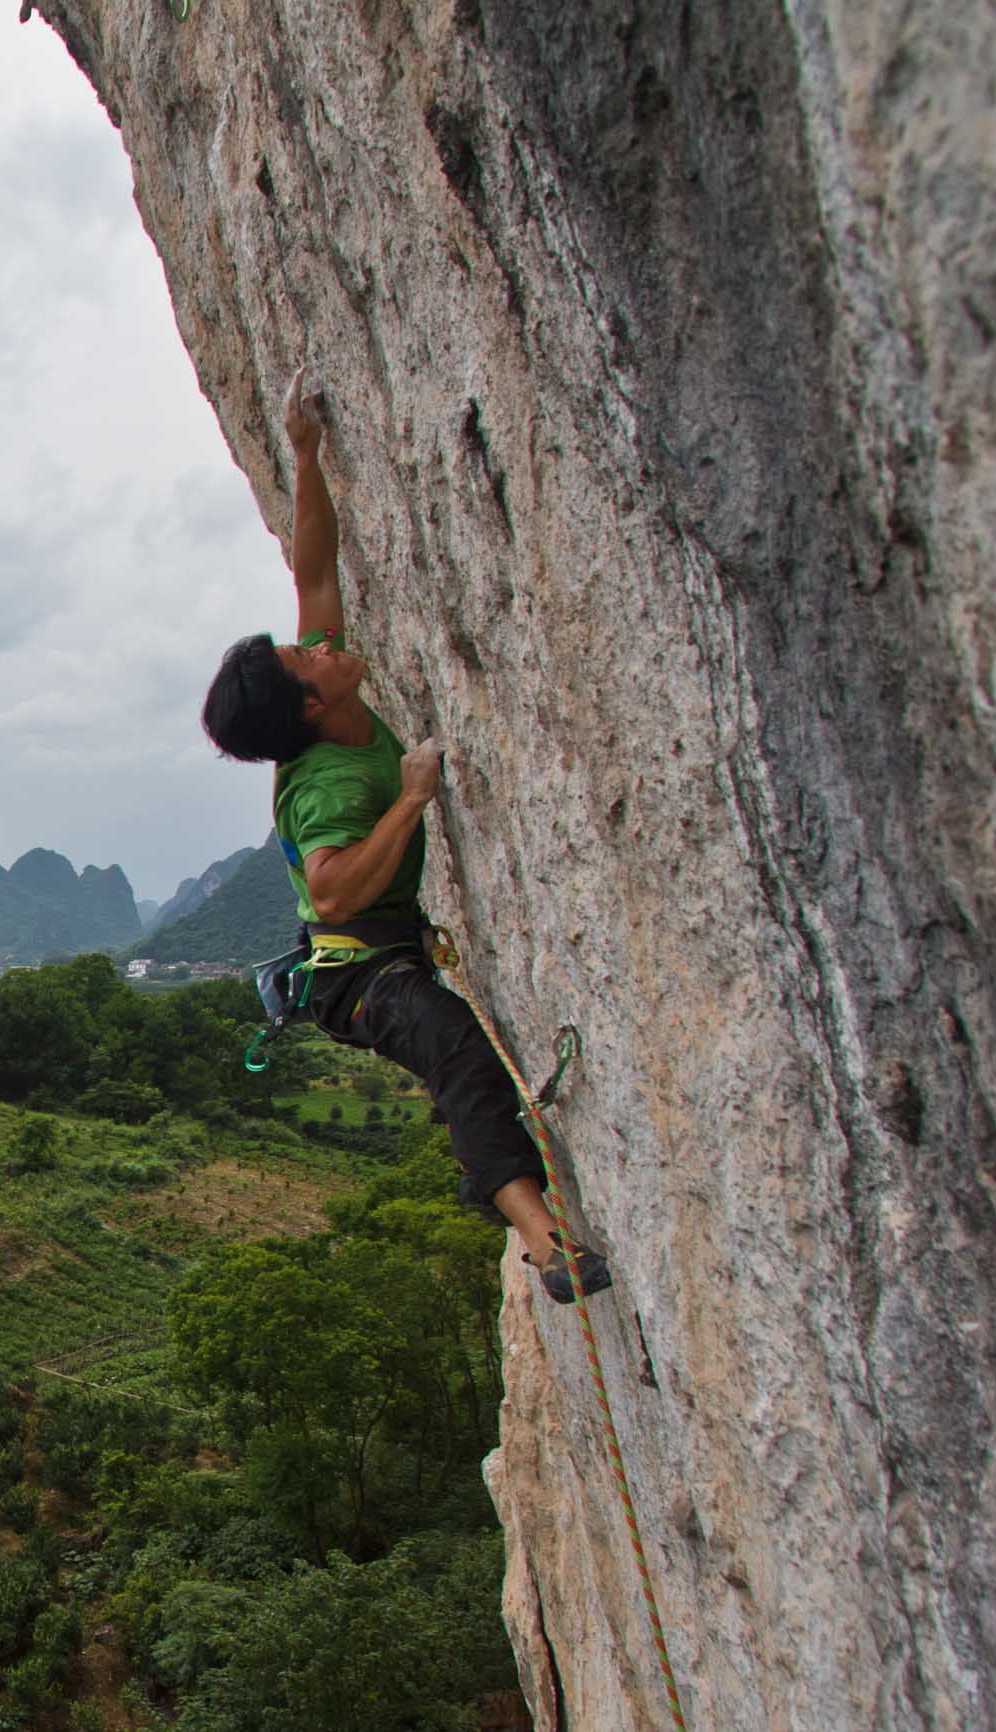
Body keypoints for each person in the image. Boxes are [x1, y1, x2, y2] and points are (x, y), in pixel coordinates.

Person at [198, 382, 611, 1303]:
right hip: (356, 975)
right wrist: (413, 796)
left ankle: (534, 1220)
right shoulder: (330, 787)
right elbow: (336, 892)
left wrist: (305, 455)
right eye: (307, 658)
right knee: (456, 1048)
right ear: (308, 705)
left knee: (460, 1050)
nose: (322, 645)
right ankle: (547, 1244)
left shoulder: (326, 703)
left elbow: (313, 575)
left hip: (375, 951)